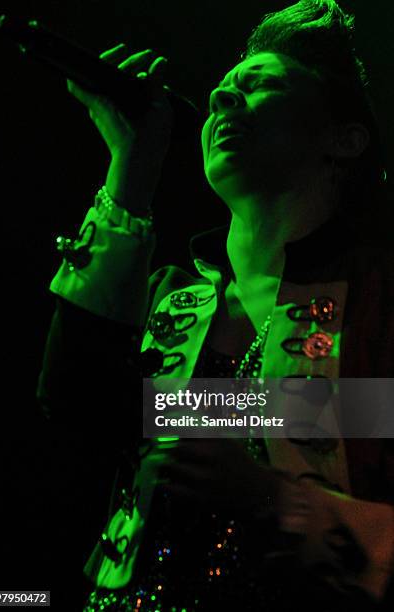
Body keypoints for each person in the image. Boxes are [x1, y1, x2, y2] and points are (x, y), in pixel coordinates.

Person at [38, 0, 394, 610]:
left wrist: (274, 499)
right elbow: (77, 403)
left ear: (344, 138)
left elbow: (369, 414)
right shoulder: (176, 297)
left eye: (262, 86)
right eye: (224, 88)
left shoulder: (379, 300)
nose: (223, 99)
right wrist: (131, 172)